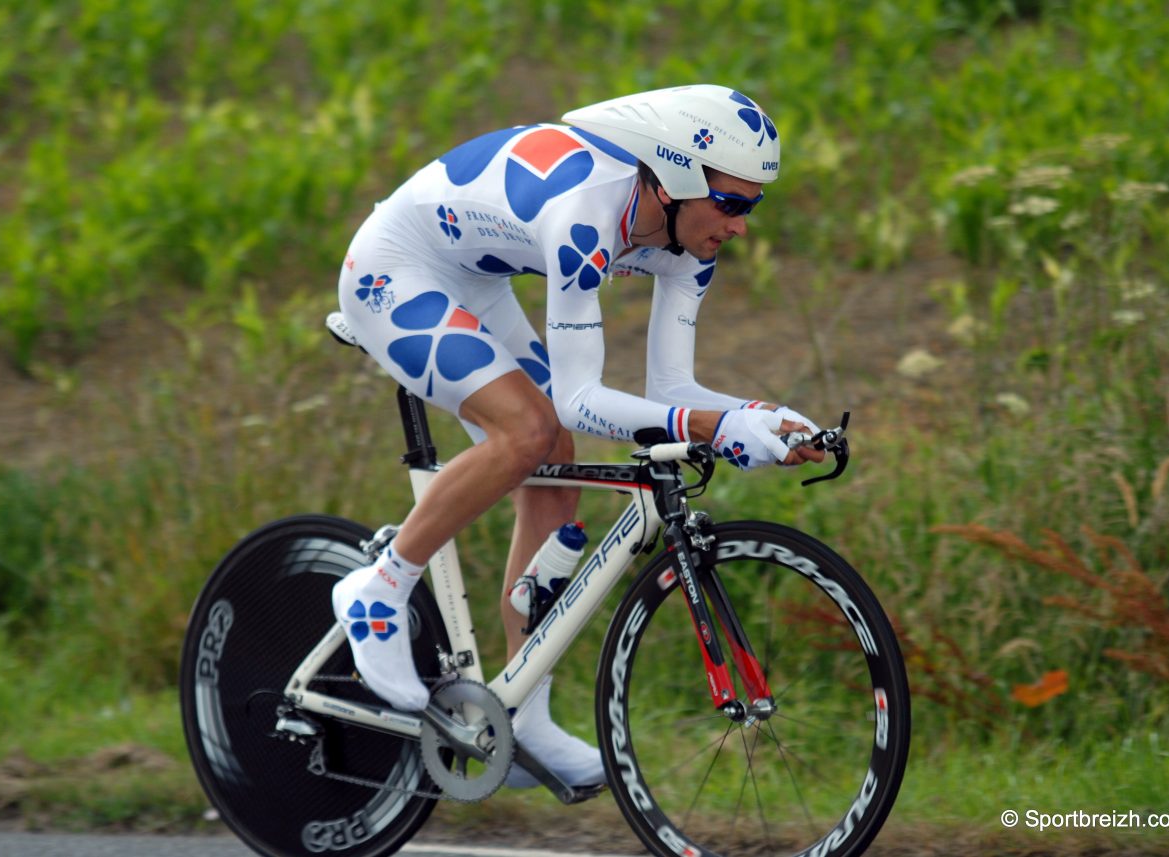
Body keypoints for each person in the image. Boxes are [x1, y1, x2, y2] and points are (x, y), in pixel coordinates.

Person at [330, 84, 824, 789]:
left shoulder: (692, 241)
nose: (742, 226)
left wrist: (764, 417)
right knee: (531, 429)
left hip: (474, 278)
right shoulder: (586, 215)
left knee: (555, 467)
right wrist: (718, 428)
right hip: (396, 270)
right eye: (733, 204)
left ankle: (523, 711)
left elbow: (672, 393)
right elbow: (581, 397)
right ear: (678, 180)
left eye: (755, 206)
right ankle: (379, 588)